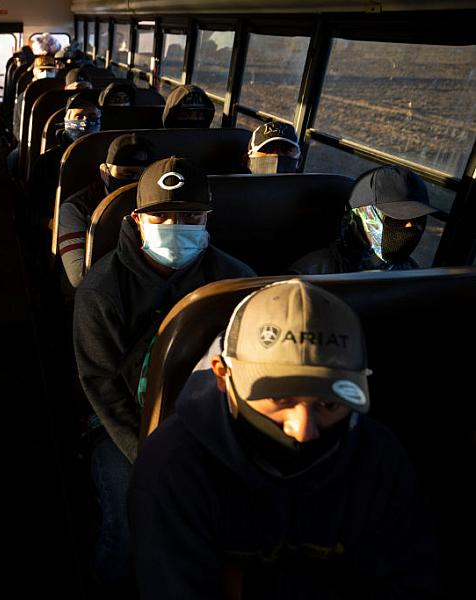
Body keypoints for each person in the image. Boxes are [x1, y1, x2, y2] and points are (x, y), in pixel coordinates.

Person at [129, 279, 440, 599]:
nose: (303, 430)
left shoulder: (379, 460)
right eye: (281, 400)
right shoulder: (173, 468)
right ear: (223, 375)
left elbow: (415, 581)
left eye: (329, 404)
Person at [73, 157, 254, 587]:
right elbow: (100, 384)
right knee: (131, 520)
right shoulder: (101, 290)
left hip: (214, 421)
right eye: (162, 215)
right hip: (122, 425)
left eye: (190, 215)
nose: (176, 225)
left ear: (208, 218)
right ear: (138, 220)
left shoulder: (236, 280)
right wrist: (150, 454)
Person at [290, 165, 436, 274]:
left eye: (418, 219)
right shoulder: (311, 274)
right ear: (360, 217)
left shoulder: (412, 273)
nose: (410, 226)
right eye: (397, 219)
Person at [58, 134, 155, 288]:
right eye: (127, 175)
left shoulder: (159, 206)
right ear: (105, 172)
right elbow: (79, 277)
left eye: (143, 176)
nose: (135, 183)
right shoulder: (76, 208)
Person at [29, 91, 102, 217]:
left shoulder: (108, 156)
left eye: (92, 116)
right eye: (79, 117)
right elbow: (35, 209)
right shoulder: (47, 161)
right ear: (66, 120)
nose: (86, 122)